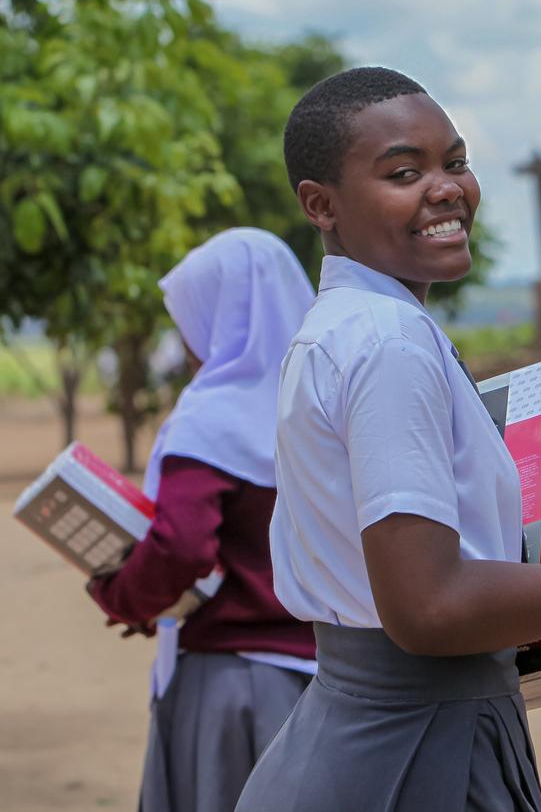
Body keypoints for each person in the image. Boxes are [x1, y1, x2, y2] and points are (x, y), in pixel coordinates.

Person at [233, 67, 541, 812]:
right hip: (408, 753)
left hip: (377, 737)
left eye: (456, 162)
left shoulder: (352, 327)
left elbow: (447, 560)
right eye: (404, 172)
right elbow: (428, 605)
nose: (446, 188)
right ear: (321, 204)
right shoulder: (388, 340)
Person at [87, 228, 318, 812]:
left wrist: (123, 596)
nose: (190, 344)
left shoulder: (213, 417)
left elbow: (182, 548)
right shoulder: (322, 405)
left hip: (233, 687)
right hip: (330, 683)